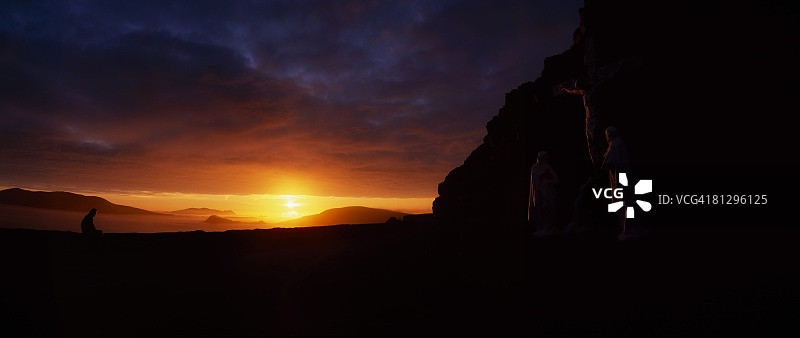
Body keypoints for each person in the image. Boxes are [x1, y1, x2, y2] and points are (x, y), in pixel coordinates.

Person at [601, 127, 633, 240]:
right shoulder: (619, 143)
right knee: (626, 201)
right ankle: (627, 227)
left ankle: (627, 228)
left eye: (606, 135)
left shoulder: (614, 145)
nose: (606, 138)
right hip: (622, 175)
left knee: (624, 202)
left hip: (619, 177)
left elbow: (606, 164)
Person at [529, 151, 559, 237]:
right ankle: (541, 227)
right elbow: (534, 181)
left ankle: (549, 227)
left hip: (548, 193)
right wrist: (541, 175)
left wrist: (549, 182)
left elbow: (556, 180)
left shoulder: (547, 168)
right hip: (539, 193)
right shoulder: (534, 168)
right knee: (540, 210)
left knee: (549, 210)